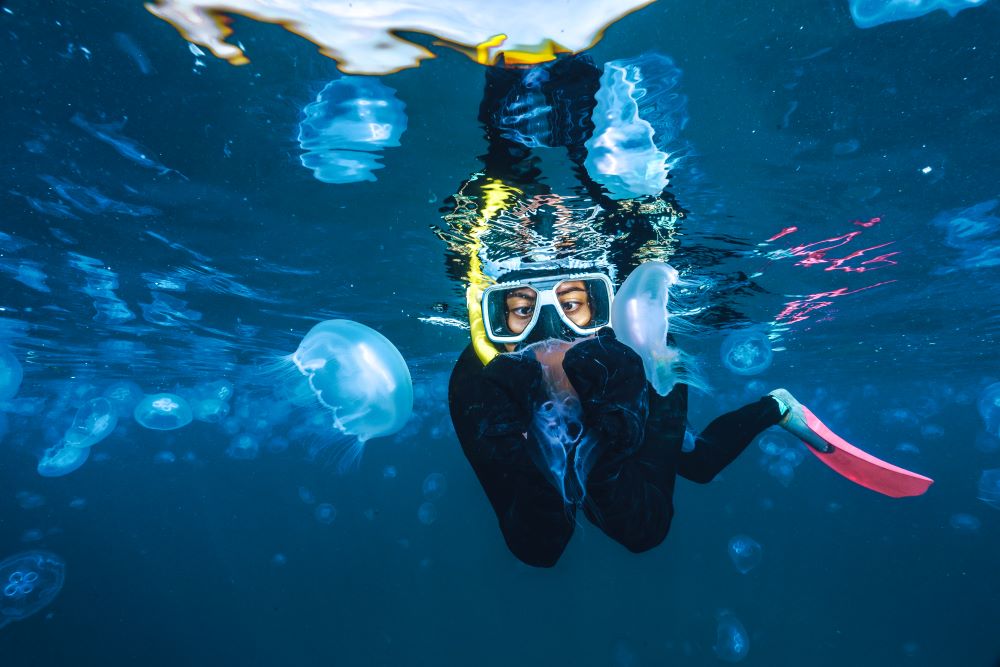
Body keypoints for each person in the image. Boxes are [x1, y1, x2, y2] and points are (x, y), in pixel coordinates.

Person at [444, 53, 931, 568]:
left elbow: (641, 531)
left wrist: (616, 414)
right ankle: (778, 407)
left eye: (573, 305)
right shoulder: (481, 383)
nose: (550, 332)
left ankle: (553, 84)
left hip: (647, 373)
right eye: (519, 312)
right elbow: (538, 546)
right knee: (693, 466)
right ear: (492, 319)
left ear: (605, 310)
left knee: (693, 461)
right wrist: (507, 441)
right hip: (587, 398)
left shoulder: (633, 356)